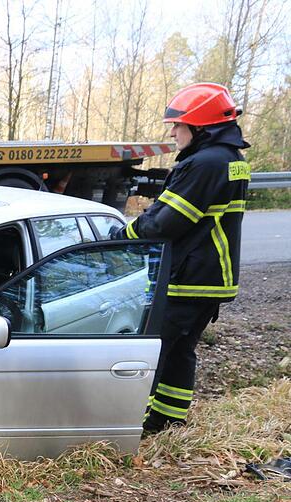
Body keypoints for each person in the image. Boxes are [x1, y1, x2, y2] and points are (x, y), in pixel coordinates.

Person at [110, 82, 249, 432]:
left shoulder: (205, 163)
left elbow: (166, 222)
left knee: (152, 351)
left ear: (200, 127)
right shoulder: (230, 159)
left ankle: (130, 426)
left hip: (190, 277)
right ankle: (168, 419)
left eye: (178, 125)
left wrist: (122, 237)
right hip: (211, 277)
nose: (172, 132)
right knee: (181, 350)